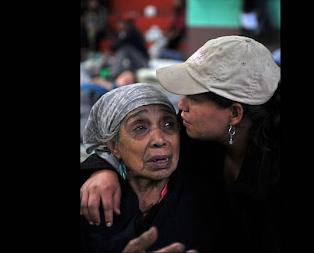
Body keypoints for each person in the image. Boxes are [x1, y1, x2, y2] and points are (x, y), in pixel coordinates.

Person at [80, 35, 281, 252]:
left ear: (234, 113)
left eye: (193, 97)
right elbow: (121, 137)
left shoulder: (272, 169)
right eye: (141, 128)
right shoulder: (192, 131)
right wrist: (103, 170)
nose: (181, 105)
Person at [80, 83, 221, 253]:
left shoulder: (204, 198)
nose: (159, 139)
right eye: (140, 128)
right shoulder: (90, 199)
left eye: (168, 124)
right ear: (113, 146)